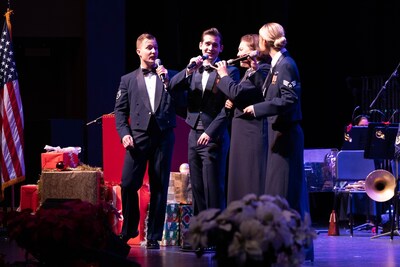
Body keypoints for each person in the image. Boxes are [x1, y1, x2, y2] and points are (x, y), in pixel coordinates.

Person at [242, 22, 313, 261]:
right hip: (278, 135)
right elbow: (269, 93)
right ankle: (280, 248)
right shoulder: (275, 65)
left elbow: (290, 100)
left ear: (264, 42)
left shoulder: (286, 65)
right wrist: (254, 71)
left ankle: (288, 250)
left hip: (287, 136)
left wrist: (258, 109)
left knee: (284, 195)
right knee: (277, 193)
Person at [114, 33, 178, 250]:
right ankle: (130, 228)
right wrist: (124, 133)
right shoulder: (128, 79)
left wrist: (169, 82)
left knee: (159, 186)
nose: (153, 52)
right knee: (128, 183)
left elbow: (183, 101)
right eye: (149, 48)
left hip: (163, 137)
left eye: (156, 48)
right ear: (138, 51)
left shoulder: (168, 76)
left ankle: (154, 236)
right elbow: (120, 111)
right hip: (138, 138)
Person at [169, 28, 240, 216]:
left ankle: (216, 234)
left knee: (213, 188)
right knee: (197, 188)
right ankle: (201, 234)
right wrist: (188, 69)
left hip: (214, 136)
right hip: (194, 134)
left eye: (215, 45)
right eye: (207, 44)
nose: (210, 48)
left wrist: (210, 133)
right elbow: (172, 86)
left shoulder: (229, 72)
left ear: (221, 48)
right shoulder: (194, 70)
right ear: (200, 45)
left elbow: (228, 109)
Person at [213, 34, 270, 203]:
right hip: (243, 133)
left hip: (252, 134)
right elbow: (238, 94)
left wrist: (224, 76)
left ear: (253, 51)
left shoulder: (263, 69)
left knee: (250, 178)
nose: (237, 53)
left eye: (241, 49)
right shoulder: (249, 73)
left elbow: (237, 92)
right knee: (240, 178)